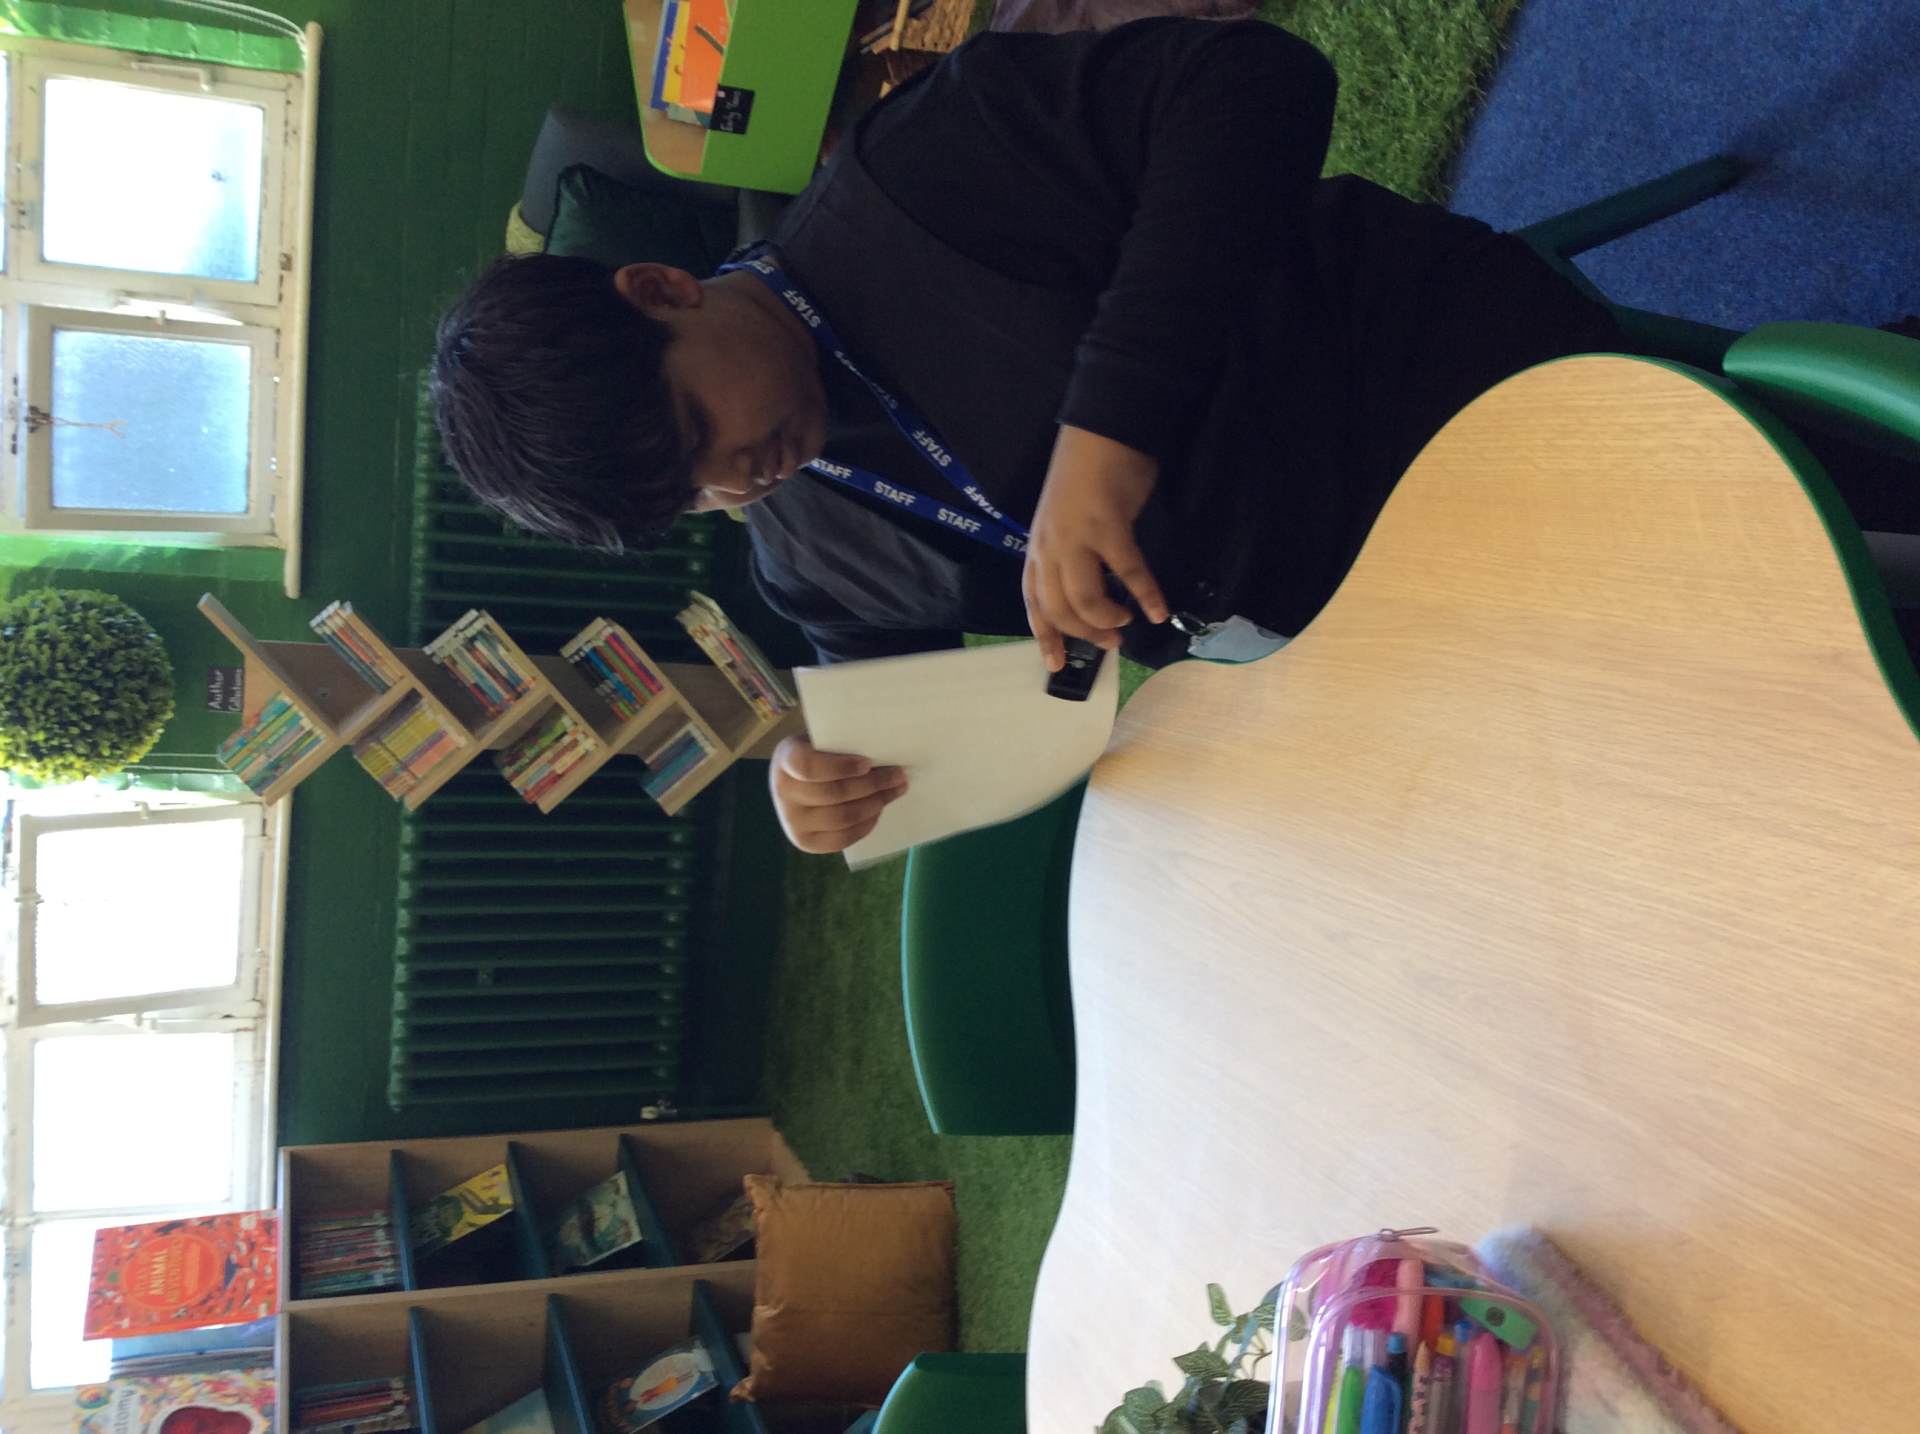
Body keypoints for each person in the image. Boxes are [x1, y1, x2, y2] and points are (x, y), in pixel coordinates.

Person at [432, 18, 1916, 855]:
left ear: (663, 288)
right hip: (1356, 629)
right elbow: (904, 706)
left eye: (700, 424)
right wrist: (824, 780)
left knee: (1786, 614)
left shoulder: (923, 175)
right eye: (692, 492)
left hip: (1446, 393)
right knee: (1643, 804)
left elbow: (1257, 84)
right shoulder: (805, 541)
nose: (738, 474)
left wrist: (1111, 425)